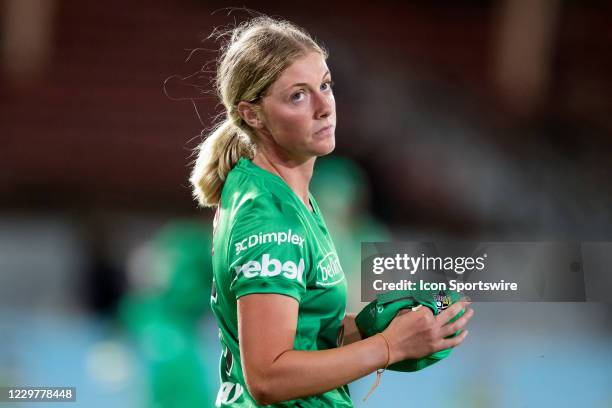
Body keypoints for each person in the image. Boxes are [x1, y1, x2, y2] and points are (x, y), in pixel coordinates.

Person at [189, 15, 474, 407]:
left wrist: (375, 327)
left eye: (325, 85)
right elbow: (268, 376)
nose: (325, 107)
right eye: (298, 96)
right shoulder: (270, 217)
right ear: (252, 114)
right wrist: (389, 347)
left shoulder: (285, 193)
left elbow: (301, 332)